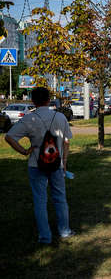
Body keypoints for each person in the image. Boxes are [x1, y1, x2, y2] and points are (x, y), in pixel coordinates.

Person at [5, 87, 74, 244]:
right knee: (60, 198)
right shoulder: (60, 117)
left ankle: (45, 237)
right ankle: (64, 231)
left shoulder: (29, 119)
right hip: (56, 164)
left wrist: (24, 151)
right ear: (49, 99)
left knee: (40, 200)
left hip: (36, 165)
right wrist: (64, 163)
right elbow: (66, 142)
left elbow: (9, 137)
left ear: (33, 101)